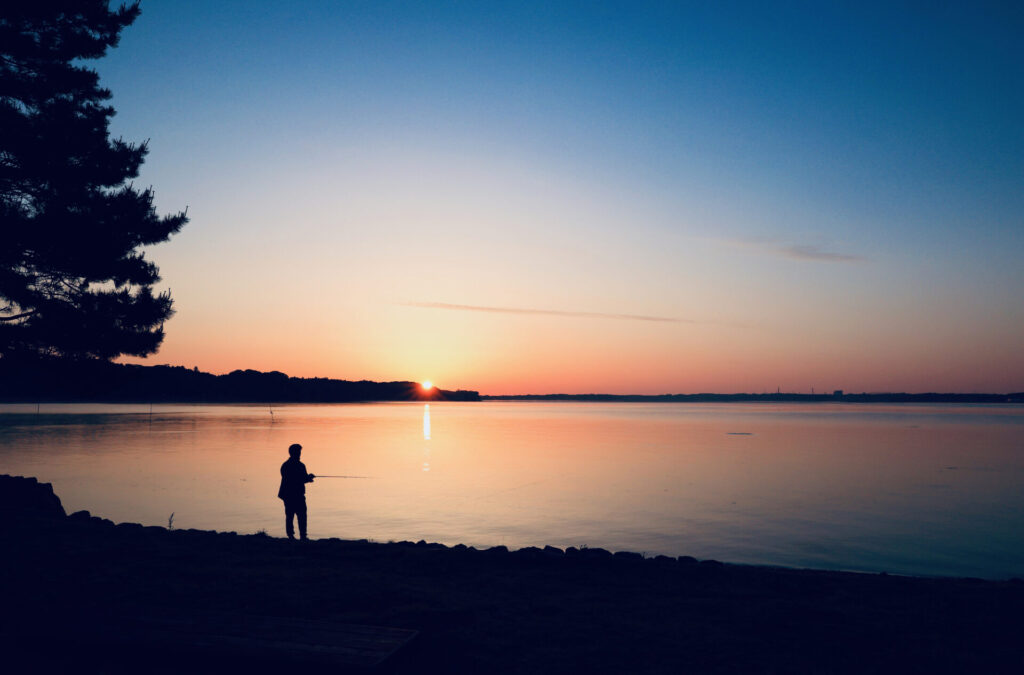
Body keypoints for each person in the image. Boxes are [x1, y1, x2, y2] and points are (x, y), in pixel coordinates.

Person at [278, 443, 314, 540]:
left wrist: (308, 478)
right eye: (298, 452)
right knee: (300, 515)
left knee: (291, 515)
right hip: (295, 494)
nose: (299, 454)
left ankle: (292, 536)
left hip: (287, 494)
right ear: (293, 453)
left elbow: (298, 479)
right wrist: (308, 478)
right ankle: (301, 536)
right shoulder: (300, 465)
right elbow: (297, 479)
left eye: (299, 452)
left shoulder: (285, 465)